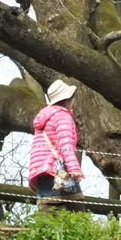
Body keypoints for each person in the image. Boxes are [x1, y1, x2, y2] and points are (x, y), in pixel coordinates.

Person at [28, 79, 85, 212]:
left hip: (41, 169)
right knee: (77, 208)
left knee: (47, 206)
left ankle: (43, 232)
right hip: (56, 168)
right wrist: (74, 168)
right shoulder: (62, 116)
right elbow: (65, 144)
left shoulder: (45, 117)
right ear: (67, 99)